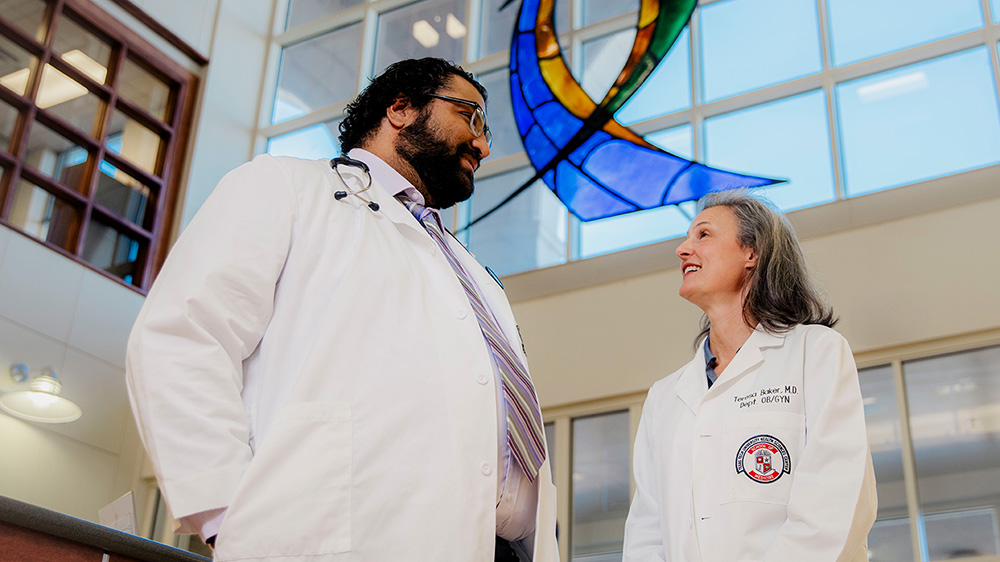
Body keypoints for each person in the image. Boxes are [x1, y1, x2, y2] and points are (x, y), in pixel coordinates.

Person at [126, 57, 557, 562]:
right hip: (343, 538)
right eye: (473, 118)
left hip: (498, 548)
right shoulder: (284, 186)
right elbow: (183, 338)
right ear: (400, 108)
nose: (484, 145)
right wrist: (227, 515)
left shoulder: (472, 271)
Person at [623, 191, 876, 561]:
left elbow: (835, 503)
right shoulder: (664, 397)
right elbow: (647, 533)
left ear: (751, 253)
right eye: (687, 238)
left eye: (703, 235)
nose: (682, 249)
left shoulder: (815, 352)